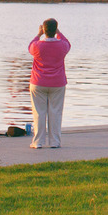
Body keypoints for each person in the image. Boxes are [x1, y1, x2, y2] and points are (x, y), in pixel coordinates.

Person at [28, 18, 71, 149]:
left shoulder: (37, 46)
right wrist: (59, 32)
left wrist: (38, 34)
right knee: (56, 112)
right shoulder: (62, 45)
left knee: (39, 112)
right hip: (57, 83)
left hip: (38, 82)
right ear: (56, 29)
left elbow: (30, 46)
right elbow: (68, 43)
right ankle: (55, 142)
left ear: (44, 30)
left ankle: (38, 142)